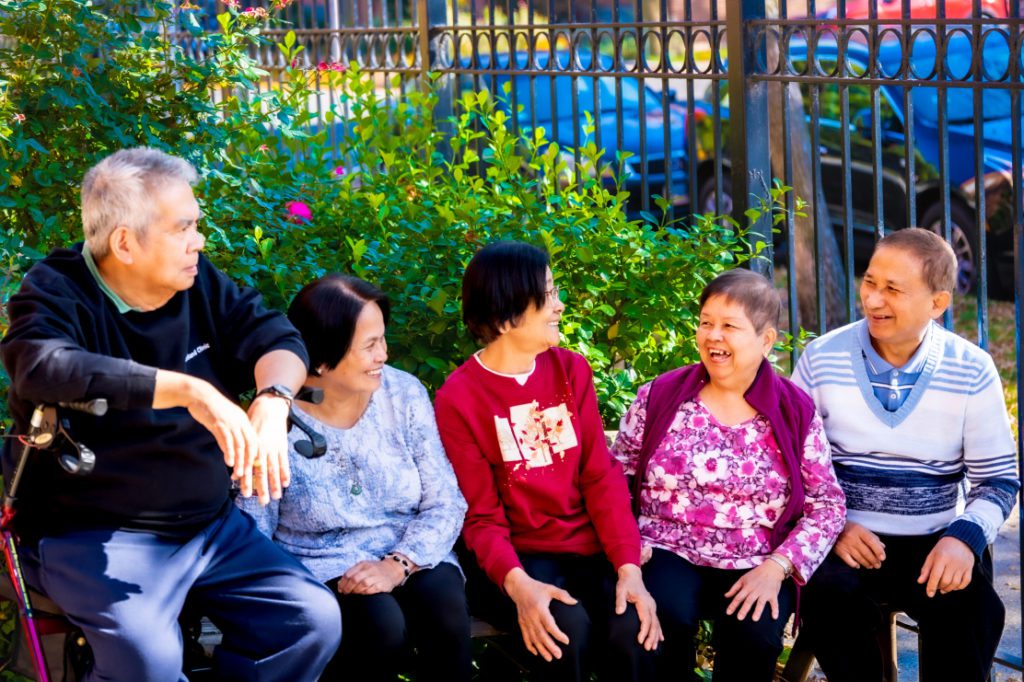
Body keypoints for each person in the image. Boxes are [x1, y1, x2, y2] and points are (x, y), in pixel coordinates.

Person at [0, 147, 341, 681]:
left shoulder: (199, 281)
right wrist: (188, 391)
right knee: (149, 666)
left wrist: (273, 400)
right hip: (93, 532)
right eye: (183, 228)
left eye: (196, 225)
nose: (198, 240)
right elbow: (41, 366)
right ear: (125, 243)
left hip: (208, 527)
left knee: (309, 620)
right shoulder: (56, 290)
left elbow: (276, 336)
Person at [793, 227, 1019, 682]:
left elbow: (998, 480)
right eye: (870, 282)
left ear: (937, 304)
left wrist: (964, 539)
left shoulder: (971, 369)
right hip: (845, 540)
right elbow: (789, 468)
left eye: (893, 290)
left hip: (934, 539)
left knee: (970, 609)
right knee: (827, 597)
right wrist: (833, 527)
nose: (873, 300)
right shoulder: (821, 359)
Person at [434, 240, 662, 682]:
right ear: (506, 317)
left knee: (634, 626)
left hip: (588, 548)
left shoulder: (570, 370)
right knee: (564, 631)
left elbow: (600, 476)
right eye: (549, 294)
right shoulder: (459, 398)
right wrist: (519, 587)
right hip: (519, 557)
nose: (559, 305)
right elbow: (480, 516)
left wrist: (628, 566)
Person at [610, 268, 846, 682]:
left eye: (729, 326)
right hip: (667, 547)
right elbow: (614, 480)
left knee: (754, 634)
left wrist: (778, 567)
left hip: (758, 555)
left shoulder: (793, 410)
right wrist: (628, 547)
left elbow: (826, 504)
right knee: (662, 619)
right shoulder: (659, 396)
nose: (713, 336)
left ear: (766, 339)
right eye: (706, 323)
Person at [237, 273, 472, 682]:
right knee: (380, 627)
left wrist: (397, 565)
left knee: (446, 612)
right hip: (320, 567)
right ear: (323, 358)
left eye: (382, 339)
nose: (384, 354)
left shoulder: (403, 394)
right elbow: (254, 530)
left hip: (409, 551)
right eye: (369, 345)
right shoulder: (277, 416)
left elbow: (445, 501)